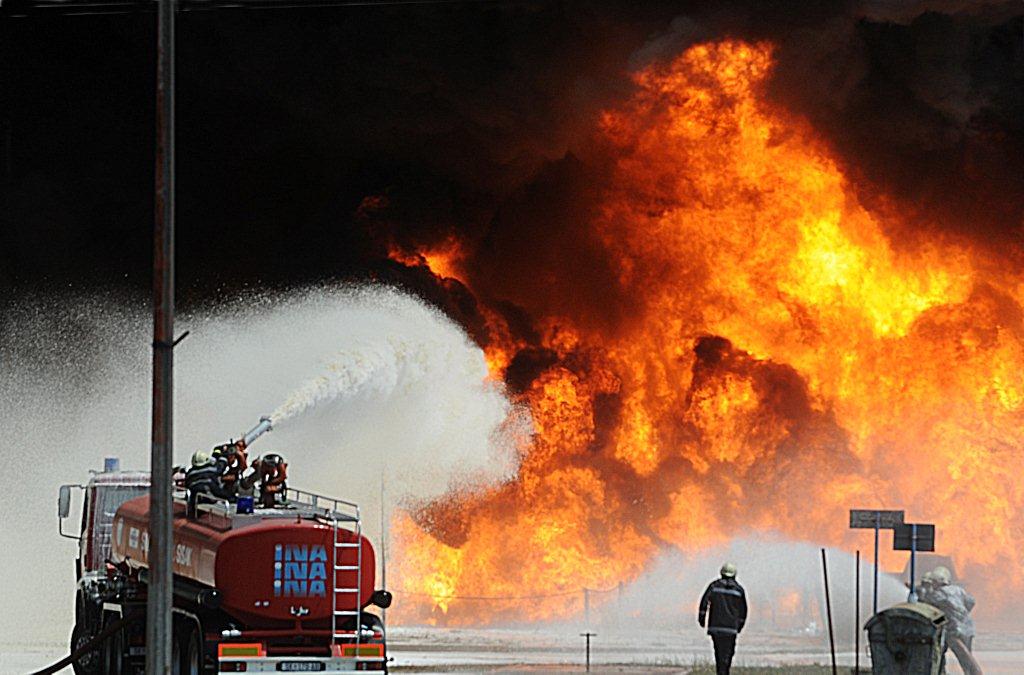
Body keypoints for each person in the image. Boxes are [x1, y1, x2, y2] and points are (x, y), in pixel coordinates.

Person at [925, 566, 982, 675]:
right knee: (966, 656)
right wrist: (962, 614)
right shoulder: (958, 590)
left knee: (963, 657)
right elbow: (971, 602)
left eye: (933, 582)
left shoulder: (939, 593)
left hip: (954, 630)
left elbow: (926, 601)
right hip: (968, 628)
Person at [698, 562, 748, 675]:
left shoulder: (714, 586)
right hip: (731, 629)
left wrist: (702, 618)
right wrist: (739, 626)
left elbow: (704, 602)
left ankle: (721, 672)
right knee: (728, 653)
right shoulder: (739, 590)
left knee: (718, 652)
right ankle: (724, 671)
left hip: (716, 628)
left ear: (721, 574)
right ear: (734, 575)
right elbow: (743, 611)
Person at [185, 450, 231, 517]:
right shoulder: (211, 470)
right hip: (210, 498)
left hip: (194, 501)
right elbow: (220, 467)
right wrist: (224, 456)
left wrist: (215, 454)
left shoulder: (190, 473)